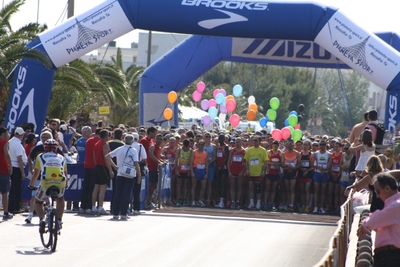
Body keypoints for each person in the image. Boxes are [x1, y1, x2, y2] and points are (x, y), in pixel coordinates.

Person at [357, 173, 400, 267]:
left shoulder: (395, 206)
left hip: (390, 257)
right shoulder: (394, 204)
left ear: (387, 188)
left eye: (378, 191)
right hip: (390, 255)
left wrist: (364, 225)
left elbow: (374, 220)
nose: (377, 196)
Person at [28, 139, 67, 228]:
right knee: (60, 198)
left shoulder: (40, 156)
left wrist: (31, 185)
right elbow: (65, 174)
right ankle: (59, 220)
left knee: (38, 202)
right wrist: (66, 184)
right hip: (60, 182)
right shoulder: (62, 158)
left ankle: (42, 220)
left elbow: (36, 174)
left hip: (46, 182)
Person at [106, 134, 141, 220]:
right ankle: (123, 213)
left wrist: (115, 167)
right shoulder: (133, 150)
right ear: (132, 142)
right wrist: (139, 175)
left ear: (124, 140)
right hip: (130, 174)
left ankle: (115, 213)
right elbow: (136, 163)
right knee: (126, 194)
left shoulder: (120, 149)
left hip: (120, 173)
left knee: (118, 193)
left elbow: (107, 156)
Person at [92, 129, 113, 215]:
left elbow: (94, 157)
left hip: (97, 167)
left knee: (96, 188)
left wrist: (96, 165)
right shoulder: (104, 145)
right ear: (106, 136)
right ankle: (100, 207)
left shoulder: (96, 144)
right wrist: (111, 169)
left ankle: (93, 207)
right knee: (102, 189)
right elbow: (106, 157)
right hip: (103, 167)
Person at [244, 135, 268, 210]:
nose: (254, 142)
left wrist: (263, 171)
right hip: (251, 172)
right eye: (253, 140)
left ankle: (258, 203)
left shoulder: (263, 150)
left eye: (256, 140)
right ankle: (251, 203)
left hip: (259, 173)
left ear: (259, 142)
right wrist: (247, 170)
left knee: (258, 188)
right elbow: (246, 161)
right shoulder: (249, 150)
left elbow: (265, 162)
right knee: (250, 187)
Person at [79, 128, 100, 214]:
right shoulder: (98, 141)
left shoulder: (88, 141)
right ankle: (89, 206)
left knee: (86, 186)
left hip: (86, 164)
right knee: (93, 187)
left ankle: (83, 206)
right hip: (94, 165)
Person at [8, 127, 27, 214]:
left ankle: (12, 206)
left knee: (13, 188)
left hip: (11, 166)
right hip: (16, 167)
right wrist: (23, 172)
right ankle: (14, 207)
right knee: (16, 188)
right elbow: (19, 159)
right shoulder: (17, 144)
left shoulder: (10, 142)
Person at [281, 139, 301, 212]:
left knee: (292, 189)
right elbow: (282, 164)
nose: (289, 146)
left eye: (291, 145)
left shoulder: (297, 153)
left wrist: (294, 168)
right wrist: (286, 165)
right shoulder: (284, 154)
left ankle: (291, 204)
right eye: (288, 145)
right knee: (287, 189)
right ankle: (287, 203)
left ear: (293, 145)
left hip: (293, 172)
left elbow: (299, 164)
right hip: (286, 171)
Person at [313, 140, 331, 214]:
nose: (322, 146)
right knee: (316, 191)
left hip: (325, 173)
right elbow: (313, 164)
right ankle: (315, 207)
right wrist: (319, 168)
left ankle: (321, 207)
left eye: (323, 144)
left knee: (323, 191)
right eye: (321, 144)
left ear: (326, 145)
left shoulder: (329, 154)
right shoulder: (316, 154)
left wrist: (324, 170)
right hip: (317, 172)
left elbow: (329, 165)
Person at [146, 134, 164, 209]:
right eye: (157, 138)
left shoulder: (160, 148)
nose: (159, 140)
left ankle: (149, 201)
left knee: (154, 186)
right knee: (150, 185)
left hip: (156, 169)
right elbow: (151, 155)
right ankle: (147, 201)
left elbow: (158, 156)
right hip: (151, 168)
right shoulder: (152, 146)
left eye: (160, 139)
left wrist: (162, 160)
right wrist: (159, 162)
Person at [227, 137, 245, 209]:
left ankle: (238, 201)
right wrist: (229, 172)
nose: (237, 143)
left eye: (239, 142)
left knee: (239, 187)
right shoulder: (232, 151)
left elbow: (245, 163)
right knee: (232, 186)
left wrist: (242, 172)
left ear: (241, 143)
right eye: (236, 142)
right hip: (232, 170)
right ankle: (233, 201)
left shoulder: (244, 151)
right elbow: (228, 162)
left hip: (240, 171)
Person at [131, 133, 147, 214]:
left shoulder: (127, 146)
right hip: (138, 169)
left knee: (128, 190)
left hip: (129, 169)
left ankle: (127, 208)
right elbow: (144, 157)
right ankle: (136, 209)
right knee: (137, 190)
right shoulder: (140, 146)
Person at [190, 139, 208, 207]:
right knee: (194, 186)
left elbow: (206, 163)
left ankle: (200, 200)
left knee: (203, 186)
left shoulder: (205, 153)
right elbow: (191, 162)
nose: (201, 146)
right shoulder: (194, 152)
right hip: (195, 169)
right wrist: (192, 172)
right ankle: (193, 201)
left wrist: (206, 173)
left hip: (202, 170)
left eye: (202, 144)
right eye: (200, 144)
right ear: (198, 145)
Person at [297, 140, 314, 213]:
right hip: (301, 173)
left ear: (309, 146)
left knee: (307, 190)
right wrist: (301, 169)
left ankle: (307, 206)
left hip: (308, 173)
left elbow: (313, 166)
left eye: (307, 145)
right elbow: (298, 164)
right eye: (304, 145)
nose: (305, 146)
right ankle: (303, 205)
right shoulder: (299, 154)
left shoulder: (311, 154)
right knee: (302, 190)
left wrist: (307, 171)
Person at [0, 127, 13, 220]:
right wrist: (10, 166)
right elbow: (6, 154)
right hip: (3, 169)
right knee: (4, 193)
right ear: (3, 134)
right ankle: (5, 212)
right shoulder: (5, 142)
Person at [175, 139, 191, 207]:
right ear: (183, 145)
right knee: (179, 184)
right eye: (185, 146)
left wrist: (190, 171)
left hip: (187, 170)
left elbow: (191, 161)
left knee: (185, 185)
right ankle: (179, 199)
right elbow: (176, 160)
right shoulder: (179, 150)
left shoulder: (190, 151)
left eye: (187, 146)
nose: (186, 148)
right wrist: (176, 170)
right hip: (180, 169)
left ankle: (184, 199)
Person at [215, 134, 230, 208]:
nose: (220, 139)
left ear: (224, 139)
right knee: (218, 184)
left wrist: (220, 167)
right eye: (219, 138)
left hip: (223, 168)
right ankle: (218, 200)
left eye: (222, 138)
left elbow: (226, 158)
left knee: (223, 184)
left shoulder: (226, 147)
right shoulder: (217, 146)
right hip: (217, 167)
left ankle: (222, 201)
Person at [203, 132, 216, 207]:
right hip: (202, 166)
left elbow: (214, 156)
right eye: (206, 136)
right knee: (202, 183)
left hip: (210, 165)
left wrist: (209, 161)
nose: (208, 138)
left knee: (209, 183)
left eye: (209, 136)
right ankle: (201, 198)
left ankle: (208, 199)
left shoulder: (213, 146)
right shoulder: (201, 145)